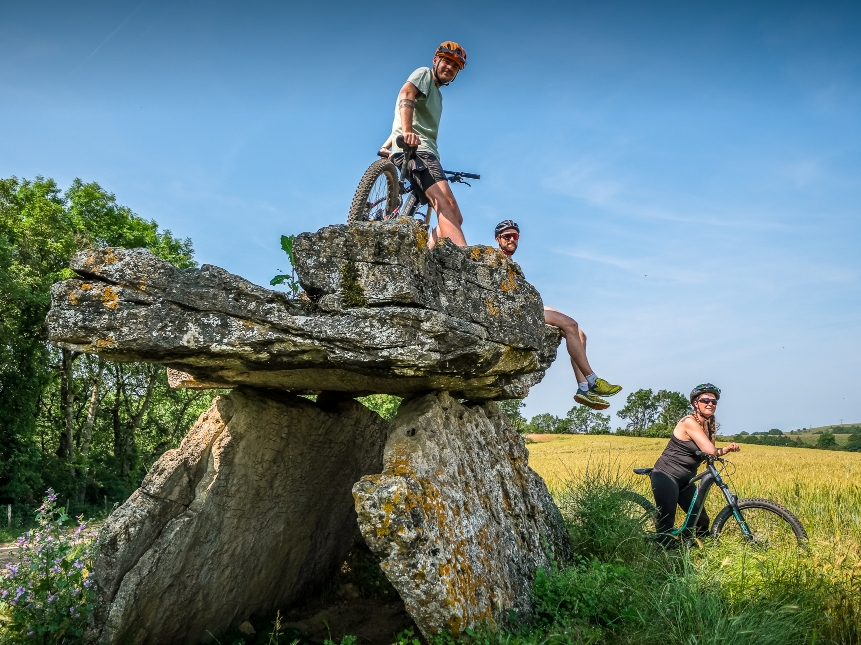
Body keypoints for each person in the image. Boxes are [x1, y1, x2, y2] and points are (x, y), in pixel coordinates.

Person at [494, 220, 622, 410]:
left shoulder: (511, 263)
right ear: (498, 239)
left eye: (515, 236)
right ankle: (593, 379)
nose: (512, 240)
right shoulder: (493, 258)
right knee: (570, 324)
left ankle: (583, 389)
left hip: (523, 305)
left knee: (579, 333)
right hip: (511, 312)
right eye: (507, 236)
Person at [379, 42, 468, 249]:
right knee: (444, 205)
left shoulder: (438, 95)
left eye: (455, 66)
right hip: (418, 150)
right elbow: (406, 94)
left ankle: (428, 252)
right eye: (446, 61)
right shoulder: (424, 75)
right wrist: (408, 134)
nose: (450, 67)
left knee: (455, 215)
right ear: (435, 60)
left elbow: (402, 124)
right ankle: (466, 264)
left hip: (428, 153)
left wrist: (386, 147)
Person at [650, 383, 740, 546]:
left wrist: (726, 449)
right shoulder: (689, 422)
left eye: (714, 402)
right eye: (706, 400)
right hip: (666, 476)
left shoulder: (707, 424)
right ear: (695, 403)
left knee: (701, 521)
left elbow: (709, 452)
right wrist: (717, 451)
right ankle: (660, 558)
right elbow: (710, 450)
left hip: (685, 481)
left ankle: (692, 549)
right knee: (666, 525)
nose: (710, 404)